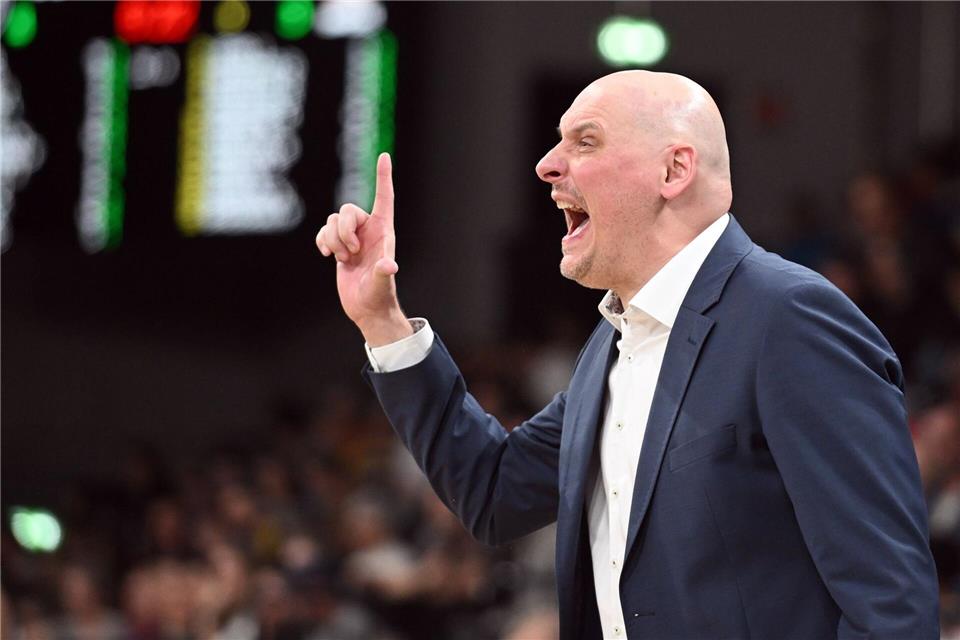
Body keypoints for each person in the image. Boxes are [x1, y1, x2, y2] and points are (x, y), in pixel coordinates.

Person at [315, 70, 940, 639]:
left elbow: (888, 603)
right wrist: (383, 322)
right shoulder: (612, 345)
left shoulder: (790, 318)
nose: (546, 165)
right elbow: (494, 491)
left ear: (674, 171)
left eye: (584, 142)